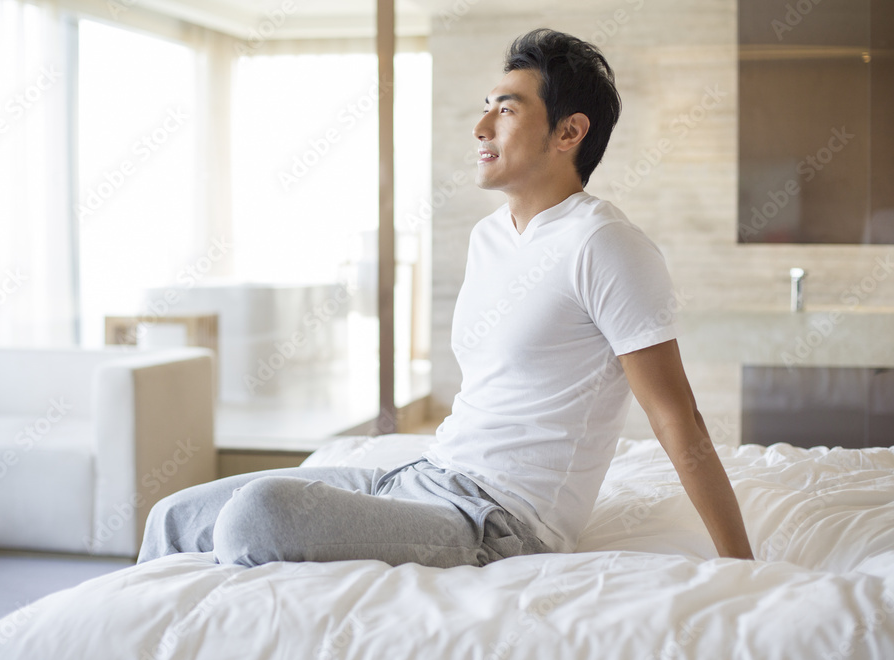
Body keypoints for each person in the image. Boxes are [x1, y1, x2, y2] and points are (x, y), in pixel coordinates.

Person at [137, 28, 754, 567]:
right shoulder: (490, 237)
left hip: (499, 520)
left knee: (257, 517)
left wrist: (742, 564)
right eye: (486, 108)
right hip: (425, 474)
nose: (481, 127)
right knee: (174, 513)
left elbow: (678, 419)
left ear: (569, 131)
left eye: (507, 111)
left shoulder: (606, 245)